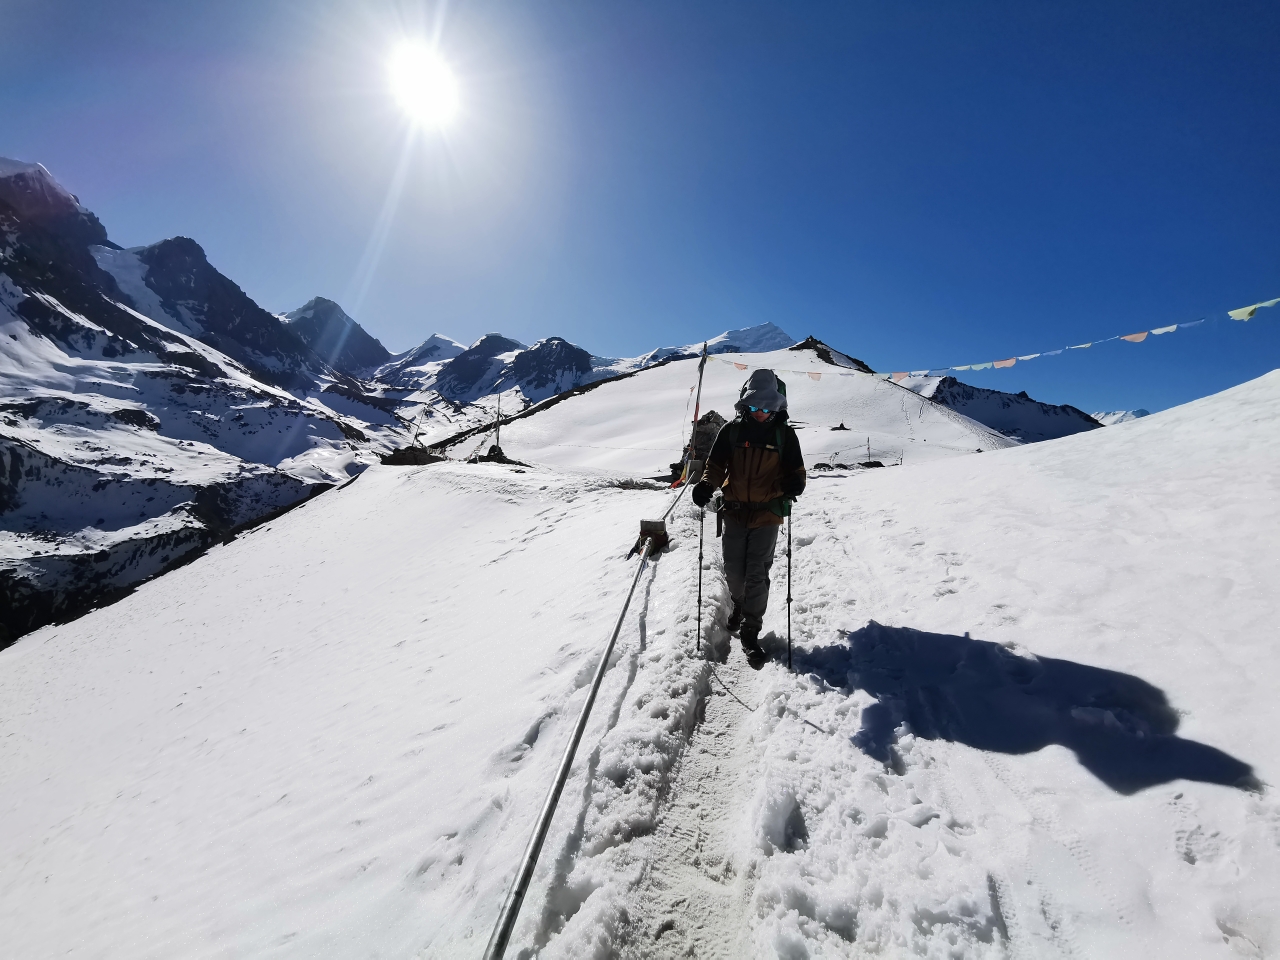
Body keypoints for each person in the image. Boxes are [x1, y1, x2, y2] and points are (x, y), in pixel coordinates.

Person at [691, 369, 805, 662]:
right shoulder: (732, 430)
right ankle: (739, 605)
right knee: (734, 572)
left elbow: (796, 470)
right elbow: (715, 466)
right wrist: (706, 485)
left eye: (766, 407)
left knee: (757, 573)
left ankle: (751, 629)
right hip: (735, 512)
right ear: (745, 404)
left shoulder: (785, 435)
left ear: (777, 406)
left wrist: (797, 483)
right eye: (754, 406)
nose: (760, 413)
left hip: (768, 514)